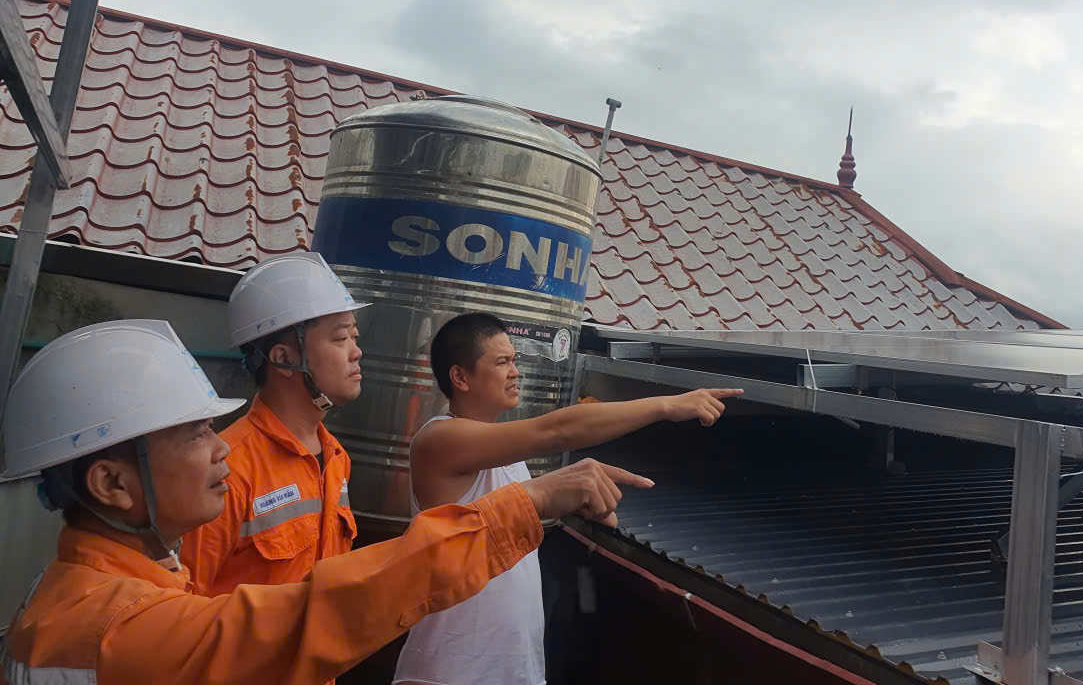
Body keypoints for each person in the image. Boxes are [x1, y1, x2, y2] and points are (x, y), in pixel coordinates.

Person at [0, 319, 650, 685]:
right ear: (111, 485)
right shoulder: (117, 628)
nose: (220, 449)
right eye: (195, 434)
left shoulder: (111, 588)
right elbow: (318, 609)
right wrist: (530, 502)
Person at [393, 312, 743, 685]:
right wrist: (666, 406)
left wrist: (583, 499)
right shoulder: (438, 440)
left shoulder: (509, 460)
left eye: (514, 360)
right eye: (502, 362)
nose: (515, 372)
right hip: (448, 672)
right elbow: (557, 430)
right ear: (460, 377)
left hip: (514, 672)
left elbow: (515, 518)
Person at [181, 252, 366, 596]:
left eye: (355, 337)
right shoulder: (227, 469)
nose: (356, 352)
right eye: (341, 339)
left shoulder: (336, 458)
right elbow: (186, 605)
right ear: (283, 358)